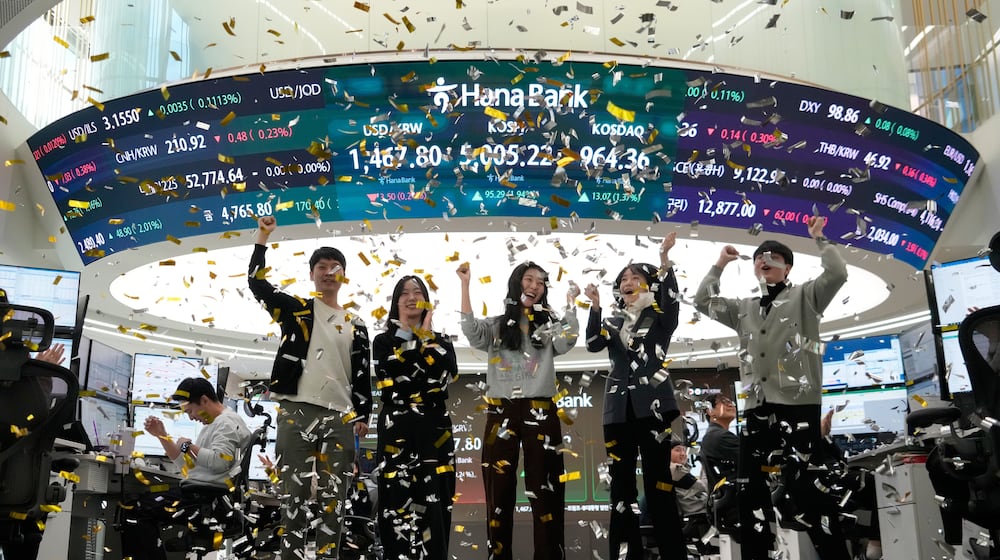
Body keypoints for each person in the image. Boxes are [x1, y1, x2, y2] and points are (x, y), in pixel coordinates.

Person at [693, 216, 849, 560]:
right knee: (750, 493)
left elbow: (837, 274)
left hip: (797, 405)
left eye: (773, 257)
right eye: (759, 257)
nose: (764, 260)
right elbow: (702, 300)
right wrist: (719, 264)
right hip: (756, 408)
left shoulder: (807, 297)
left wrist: (820, 238)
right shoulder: (743, 308)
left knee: (807, 488)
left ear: (787, 267)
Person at [249, 216, 372, 560]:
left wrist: (364, 414)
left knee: (335, 501)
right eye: (322, 266)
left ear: (343, 275)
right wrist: (263, 236)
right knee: (294, 497)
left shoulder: (356, 323)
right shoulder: (297, 309)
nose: (329, 272)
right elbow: (257, 284)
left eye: (335, 267)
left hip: (339, 416)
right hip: (295, 409)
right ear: (312, 273)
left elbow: (363, 373)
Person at [456, 260, 579, 560]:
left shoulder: (548, 326)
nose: (534, 286)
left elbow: (568, 341)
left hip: (541, 408)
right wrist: (465, 285)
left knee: (546, 487)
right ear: (516, 284)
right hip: (502, 409)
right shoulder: (499, 324)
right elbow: (472, 332)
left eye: (540, 282)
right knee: (498, 488)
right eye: (528, 279)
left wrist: (571, 305)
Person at [583, 231, 686, 560]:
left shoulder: (660, 318)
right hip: (617, 412)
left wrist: (664, 261)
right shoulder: (612, 322)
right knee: (621, 489)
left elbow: (671, 299)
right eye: (623, 279)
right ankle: (626, 556)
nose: (628, 282)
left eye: (635, 277)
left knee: (660, 486)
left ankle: (673, 555)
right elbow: (592, 344)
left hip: (654, 407)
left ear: (648, 284)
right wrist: (596, 308)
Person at [119, 377, 253, 560]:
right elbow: (187, 467)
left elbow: (220, 462)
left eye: (190, 410)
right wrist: (162, 436)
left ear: (204, 400)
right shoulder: (215, 424)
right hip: (203, 496)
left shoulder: (226, 424)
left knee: (136, 510)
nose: (191, 417)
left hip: (205, 499)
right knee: (140, 506)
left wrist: (189, 446)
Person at [372, 275, 458, 560]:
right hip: (396, 430)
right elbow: (392, 374)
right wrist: (419, 343)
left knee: (436, 505)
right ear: (396, 302)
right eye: (405, 293)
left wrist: (423, 344)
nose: (411, 297)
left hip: (435, 432)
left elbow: (445, 376)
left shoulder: (443, 341)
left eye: (417, 292)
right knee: (394, 504)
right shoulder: (382, 341)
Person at [700, 393, 739, 531]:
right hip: (735, 508)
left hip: (726, 504)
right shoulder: (719, 437)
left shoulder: (714, 435)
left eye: (731, 402)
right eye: (723, 402)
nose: (730, 404)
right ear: (710, 411)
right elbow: (752, 463)